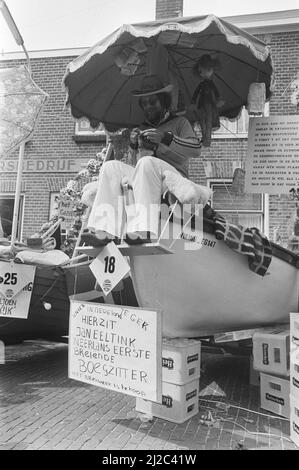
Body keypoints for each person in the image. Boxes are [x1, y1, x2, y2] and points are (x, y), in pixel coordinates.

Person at [82, 74, 202, 246]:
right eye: (144, 104)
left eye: (152, 102)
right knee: (111, 167)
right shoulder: (142, 127)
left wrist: (165, 138)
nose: (148, 107)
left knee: (147, 163)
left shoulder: (180, 123)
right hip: (147, 177)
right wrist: (133, 146)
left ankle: (144, 228)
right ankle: (104, 229)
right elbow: (135, 167)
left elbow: (196, 149)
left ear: (163, 101)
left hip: (173, 179)